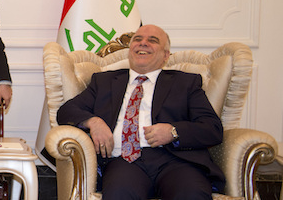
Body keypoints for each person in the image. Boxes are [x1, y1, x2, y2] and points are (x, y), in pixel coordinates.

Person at [56, 24, 225, 200]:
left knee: (190, 194)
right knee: (118, 194)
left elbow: (212, 128)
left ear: (165, 55)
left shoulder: (186, 83)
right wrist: (94, 122)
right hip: (123, 162)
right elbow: (66, 111)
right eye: (138, 39)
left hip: (176, 161)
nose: (143, 43)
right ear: (130, 50)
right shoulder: (104, 81)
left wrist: (173, 132)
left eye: (152, 41)